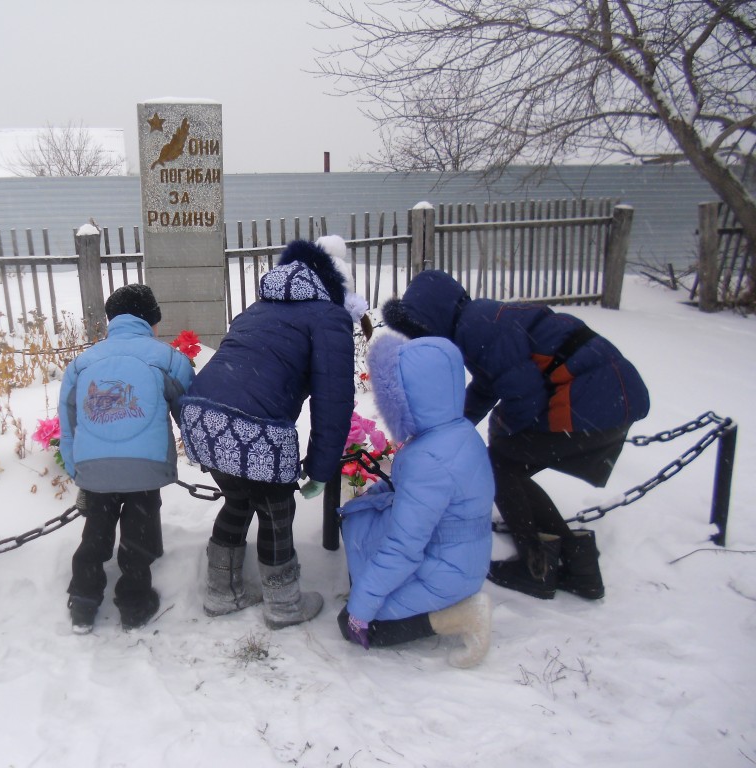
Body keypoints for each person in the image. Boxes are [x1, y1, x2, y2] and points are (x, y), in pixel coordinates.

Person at [382, 270, 650, 600]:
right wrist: (449, 427)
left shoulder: (478, 328)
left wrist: (499, 433)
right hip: (609, 397)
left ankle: (537, 566)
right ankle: (578, 564)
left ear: (433, 317)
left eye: (420, 331)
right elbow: (488, 385)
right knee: (508, 466)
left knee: (501, 466)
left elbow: (524, 396)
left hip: (596, 401)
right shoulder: (477, 322)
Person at [180, 236, 364, 629]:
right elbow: (333, 400)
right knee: (276, 510)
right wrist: (321, 469)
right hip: (254, 425)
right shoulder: (328, 317)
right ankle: (284, 604)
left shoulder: (257, 309)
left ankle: (222, 592)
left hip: (201, 416)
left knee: (238, 499)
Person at [337, 335, 494, 667]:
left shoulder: (427, 458)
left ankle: (461, 615)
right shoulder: (458, 432)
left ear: (408, 399)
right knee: (363, 520)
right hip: (463, 558)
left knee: (350, 622)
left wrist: (361, 608)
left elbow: (404, 547)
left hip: (445, 572)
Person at [58, 284, 195, 632]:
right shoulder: (169, 359)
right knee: (138, 536)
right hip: (144, 468)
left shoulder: (82, 363)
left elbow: (68, 421)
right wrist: (197, 451)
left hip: (95, 470)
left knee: (95, 532)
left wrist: (76, 468)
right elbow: (189, 411)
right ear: (150, 320)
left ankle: (83, 601)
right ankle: (134, 604)